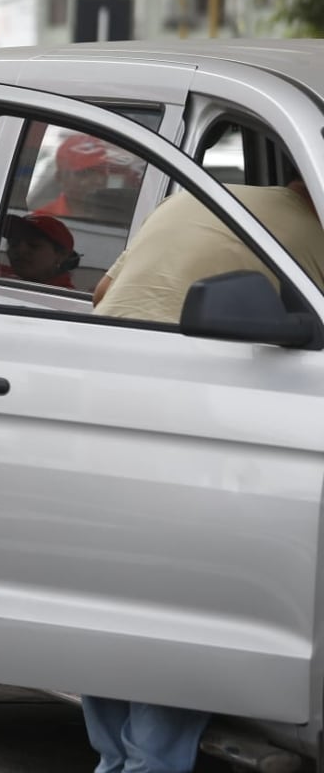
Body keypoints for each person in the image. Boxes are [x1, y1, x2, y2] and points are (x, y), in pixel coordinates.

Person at [85, 178, 323, 773]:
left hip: (91, 399)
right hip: (179, 410)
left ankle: (116, 758)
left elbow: (102, 290)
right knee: (180, 605)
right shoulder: (311, 232)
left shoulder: (193, 193)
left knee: (111, 598)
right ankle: (150, 763)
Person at [94, 179, 324, 321]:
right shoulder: (313, 234)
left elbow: (102, 292)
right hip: (189, 367)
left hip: (102, 344)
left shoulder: (188, 198)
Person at [0, 212, 80, 287]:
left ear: (61, 255)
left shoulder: (63, 300)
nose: (20, 251)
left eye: (33, 245)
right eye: (13, 244)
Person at [36, 133, 111, 217]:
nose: (99, 180)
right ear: (60, 178)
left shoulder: (121, 216)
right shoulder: (44, 219)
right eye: (84, 173)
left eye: (102, 171)